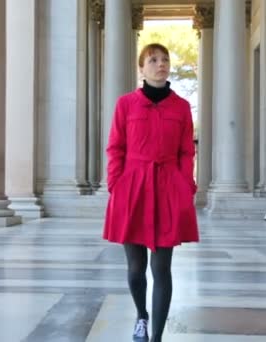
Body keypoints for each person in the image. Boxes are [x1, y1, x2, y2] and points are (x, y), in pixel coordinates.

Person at [103, 43, 199, 342]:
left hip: (168, 189)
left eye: (165, 59)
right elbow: (116, 147)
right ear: (141, 68)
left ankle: (156, 336)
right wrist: (115, 183)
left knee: (162, 268)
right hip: (132, 189)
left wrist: (186, 185)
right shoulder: (125, 105)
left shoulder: (181, 106)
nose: (161, 64)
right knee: (135, 268)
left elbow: (187, 151)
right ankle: (141, 316)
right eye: (153, 60)